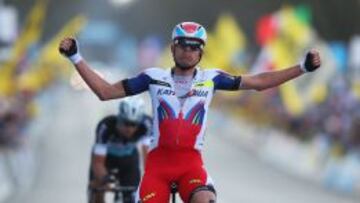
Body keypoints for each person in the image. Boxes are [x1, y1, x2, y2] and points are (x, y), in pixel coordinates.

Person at [59, 21, 321, 203]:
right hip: (157, 169)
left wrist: (303, 67)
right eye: (183, 45)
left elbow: (260, 82)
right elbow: (105, 92)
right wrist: (75, 57)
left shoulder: (212, 79)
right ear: (173, 48)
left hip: (191, 167)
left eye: (194, 46)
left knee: (206, 199)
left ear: (201, 52)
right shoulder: (153, 77)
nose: (188, 51)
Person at [88, 97, 152, 203]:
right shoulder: (106, 126)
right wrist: (104, 179)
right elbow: (98, 162)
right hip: (106, 159)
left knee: (133, 197)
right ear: (119, 118)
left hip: (128, 159)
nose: (129, 128)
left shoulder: (146, 125)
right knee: (99, 187)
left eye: (133, 124)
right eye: (126, 123)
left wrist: (151, 178)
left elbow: (148, 156)